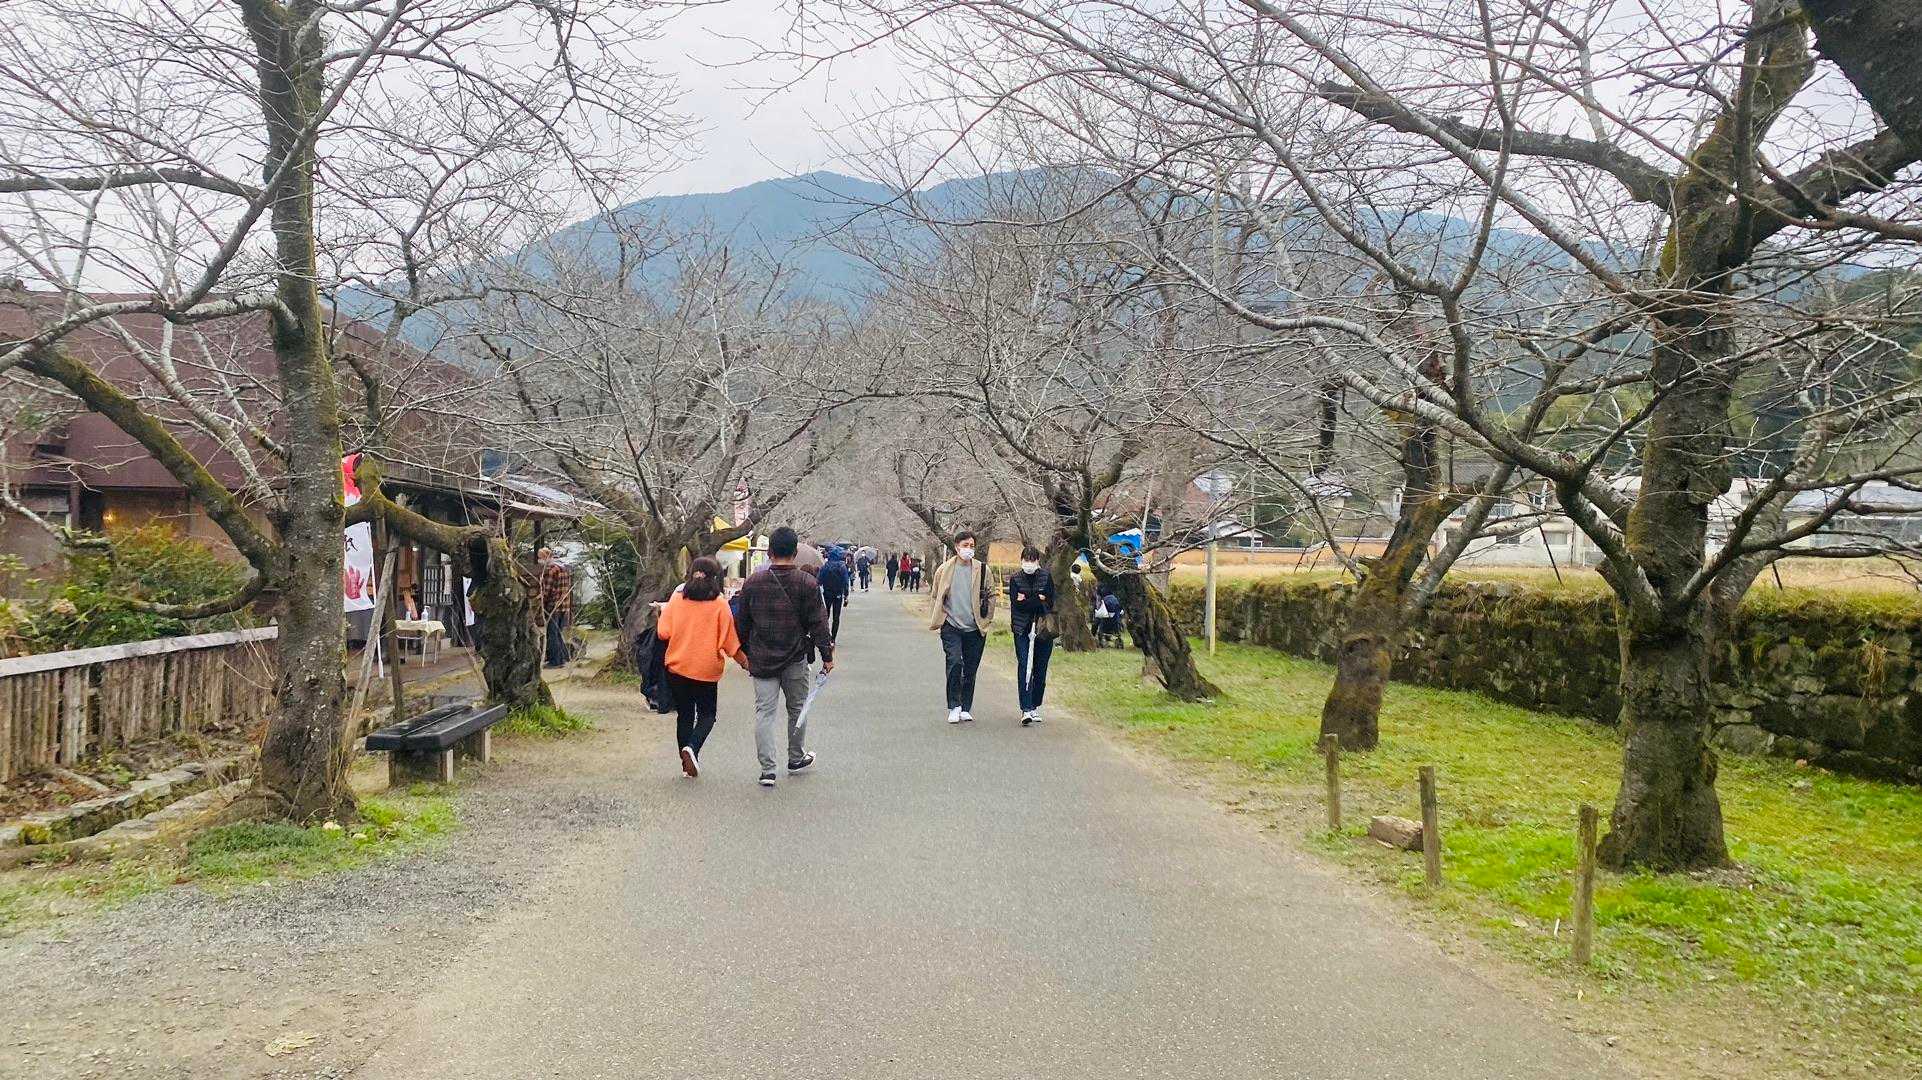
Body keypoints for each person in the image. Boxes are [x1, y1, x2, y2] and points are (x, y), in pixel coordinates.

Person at [734, 526, 835, 787]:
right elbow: (819, 623)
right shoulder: (807, 583)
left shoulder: (753, 583)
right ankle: (796, 757)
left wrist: (743, 655)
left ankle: (767, 770)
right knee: (797, 709)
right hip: (795, 657)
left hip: (762, 658)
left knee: (764, 713)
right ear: (794, 552)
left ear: (769, 552)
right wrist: (826, 655)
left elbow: (741, 623)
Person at [654, 557, 748, 778]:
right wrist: (745, 662)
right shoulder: (719, 604)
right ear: (716, 577)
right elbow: (729, 642)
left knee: (685, 715)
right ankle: (692, 748)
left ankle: (686, 765)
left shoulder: (677, 599)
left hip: (677, 667)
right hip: (706, 669)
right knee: (707, 715)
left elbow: (663, 633)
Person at [927, 531, 996, 724]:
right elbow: (936, 595)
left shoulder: (983, 570)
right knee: (955, 662)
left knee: (970, 669)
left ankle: (965, 707)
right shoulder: (944, 570)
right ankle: (954, 705)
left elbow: (991, 595)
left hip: (975, 627)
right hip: (951, 626)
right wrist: (939, 618)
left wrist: (986, 619)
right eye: (965, 545)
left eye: (972, 545)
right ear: (957, 547)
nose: (969, 549)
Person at [1006, 545, 1057, 726]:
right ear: (1021, 561)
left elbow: (1049, 602)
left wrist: (1028, 599)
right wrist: (1038, 598)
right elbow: (1017, 604)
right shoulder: (1015, 579)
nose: (1029, 563)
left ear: (1037, 561)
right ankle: (1025, 708)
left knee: (1040, 668)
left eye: (1032, 560)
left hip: (1043, 630)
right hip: (1022, 628)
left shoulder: (1046, 577)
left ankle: (1035, 704)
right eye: (1026, 560)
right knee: (1024, 666)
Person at [537, 547, 573, 667]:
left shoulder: (551, 570)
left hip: (553, 606)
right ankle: (564, 657)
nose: (539, 560)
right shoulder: (564, 567)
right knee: (558, 633)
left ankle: (556, 661)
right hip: (564, 605)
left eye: (540, 557)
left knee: (552, 634)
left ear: (546, 557)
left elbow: (547, 590)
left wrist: (541, 601)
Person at [818, 545, 851, 640]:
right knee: (836, 617)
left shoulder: (825, 566)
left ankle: (825, 635)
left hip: (827, 594)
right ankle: (833, 638)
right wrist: (846, 595)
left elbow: (819, 580)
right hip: (838, 594)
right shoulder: (842, 567)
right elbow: (845, 582)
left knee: (826, 615)